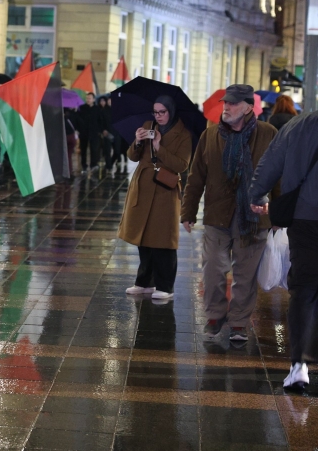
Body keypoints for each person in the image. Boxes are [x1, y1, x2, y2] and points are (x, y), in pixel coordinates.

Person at [181, 84, 277, 342]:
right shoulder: (210, 136)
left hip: (254, 217)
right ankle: (215, 315)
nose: (227, 107)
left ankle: (238, 323)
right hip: (217, 214)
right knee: (212, 267)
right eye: (225, 102)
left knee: (245, 275)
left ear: (248, 107)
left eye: (233, 103)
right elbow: (196, 176)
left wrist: (279, 214)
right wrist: (188, 210)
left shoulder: (268, 134)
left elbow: (280, 177)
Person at [249, 110, 317, 389]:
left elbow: (271, 162)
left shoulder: (298, 125)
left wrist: (256, 193)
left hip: (304, 217)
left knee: (303, 288)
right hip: (305, 215)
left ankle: (299, 366)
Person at [119, 96, 192, 300]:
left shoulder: (183, 134)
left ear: (171, 111)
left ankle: (165, 286)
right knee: (143, 237)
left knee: (163, 240)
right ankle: (144, 282)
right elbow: (132, 156)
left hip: (164, 189)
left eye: (162, 112)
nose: (158, 116)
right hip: (143, 187)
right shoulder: (147, 126)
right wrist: (138, 141)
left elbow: (182, 165)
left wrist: (160, 147)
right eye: (155, 112)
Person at [76, 92, 107, 174]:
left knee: (94, 149)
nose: (88, 100)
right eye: (87, 98)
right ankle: (84, 166)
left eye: (90, 98)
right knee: (83, 150)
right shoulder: (81, 108)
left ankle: (93, 164)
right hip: (83, 133)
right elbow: (77, 120)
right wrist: (79, 129)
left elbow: (100, 121)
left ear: (93, 99)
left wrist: (100, 131)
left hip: (94, 133)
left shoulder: (97, 109)